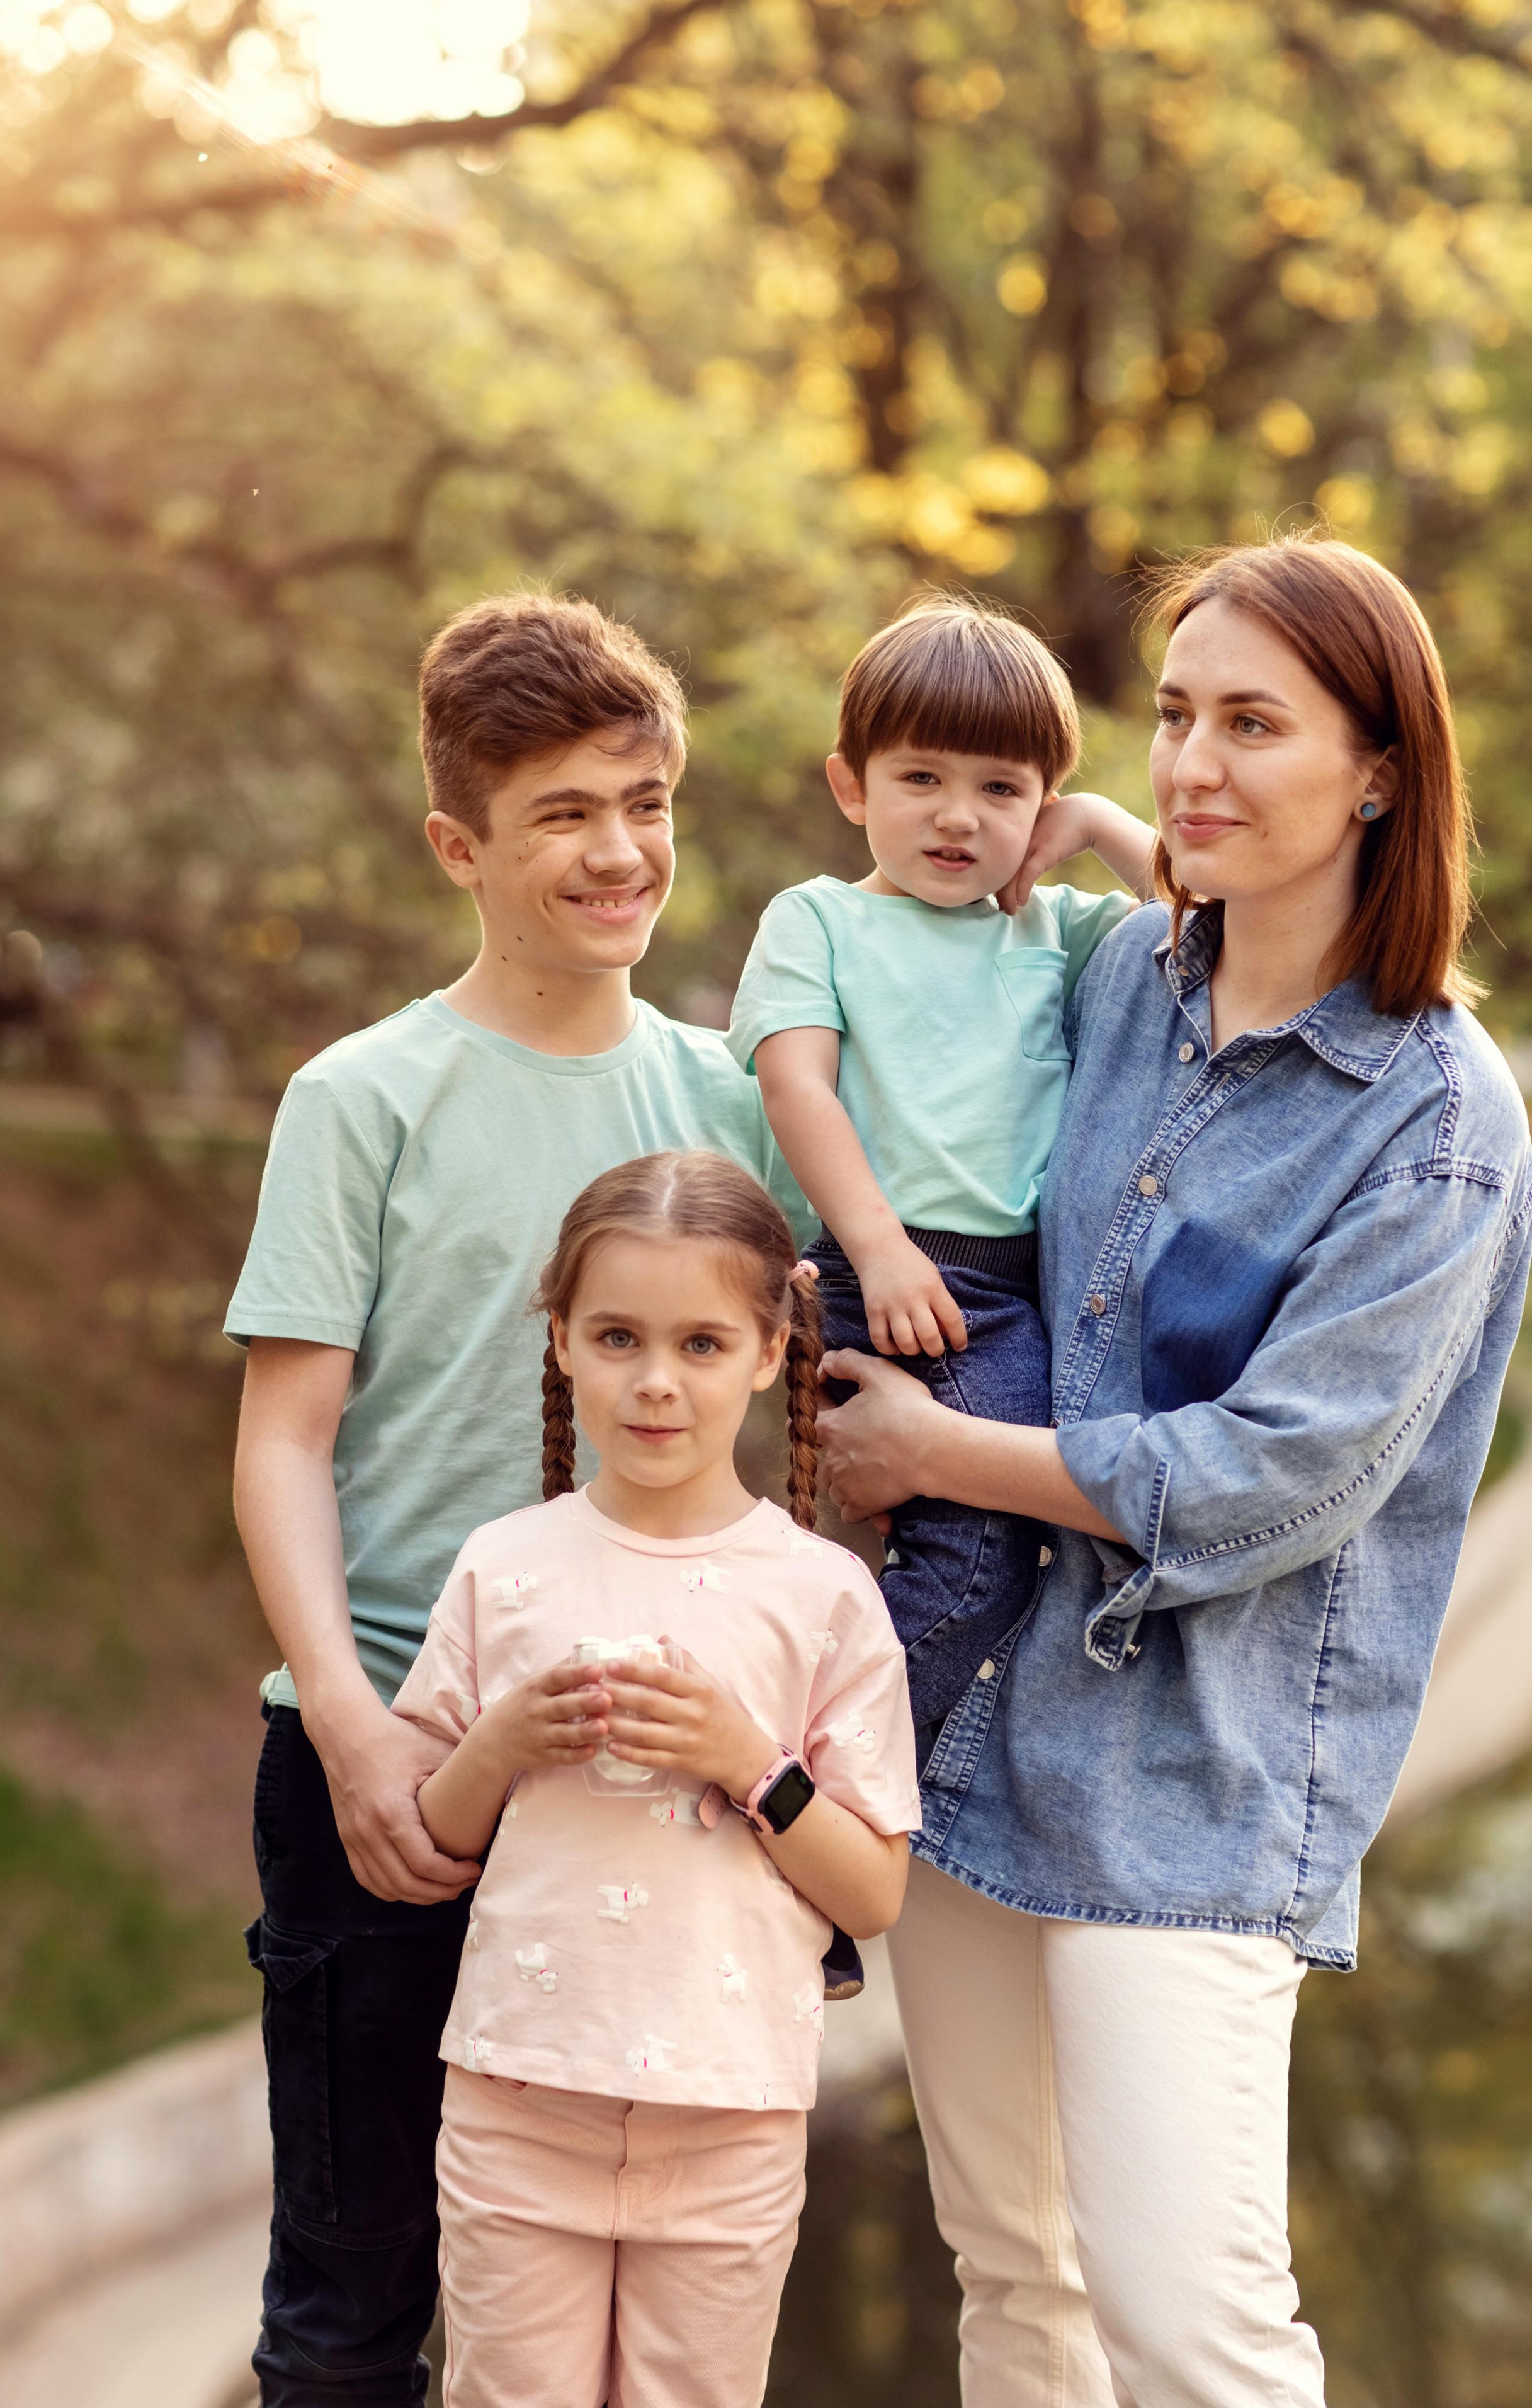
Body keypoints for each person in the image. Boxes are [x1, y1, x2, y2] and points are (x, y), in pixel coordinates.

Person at [815, 535, 1532, 2407]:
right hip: (982, 1731)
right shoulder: (1127, 981)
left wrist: (937, 1447)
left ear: (1380, 767)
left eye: (1253, 724)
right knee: (1017, 2285)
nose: (1195, 762)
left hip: (1198, 1784)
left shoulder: (1438, 1125)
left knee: (1188, 2323)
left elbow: (1276, 1480)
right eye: (1174, 716)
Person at [227, 593, 813, 2408]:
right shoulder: (363, 1098)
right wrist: (347, 1727)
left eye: (644, 800)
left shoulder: (730, 1101)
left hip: (660, 1785)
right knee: (349, 2313)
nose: (620, 850)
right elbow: (283, 1439)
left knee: (634, 2315)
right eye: (564, 813)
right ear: (458, 845)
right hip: (395, 1764)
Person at [391, 1150, 919, 2408]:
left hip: (729, 2118)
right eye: (618, 1336)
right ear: (562, 1340)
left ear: (764, 1349)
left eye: (698, 1343)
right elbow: (434, 1836)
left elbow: (876, 1895)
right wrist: (504, 1742)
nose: (655, 1382)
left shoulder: (823, 1595)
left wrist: (752, 1764)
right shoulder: (502, 1565)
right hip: (520, 2104)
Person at [725, 595, 1152, 1725]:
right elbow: (797, 1085)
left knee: (998, 1554)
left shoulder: (1054, 929)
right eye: (921, 779)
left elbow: (1223, 923)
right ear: (851, 785)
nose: (959, 818)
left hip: (1018, 1294)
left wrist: (1105, 824)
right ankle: (818, 1782)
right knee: (980, 1567)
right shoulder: (819, 920)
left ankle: (814, 1747)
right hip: (891, 1274)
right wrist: (884, 1248)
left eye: (1002, 789)